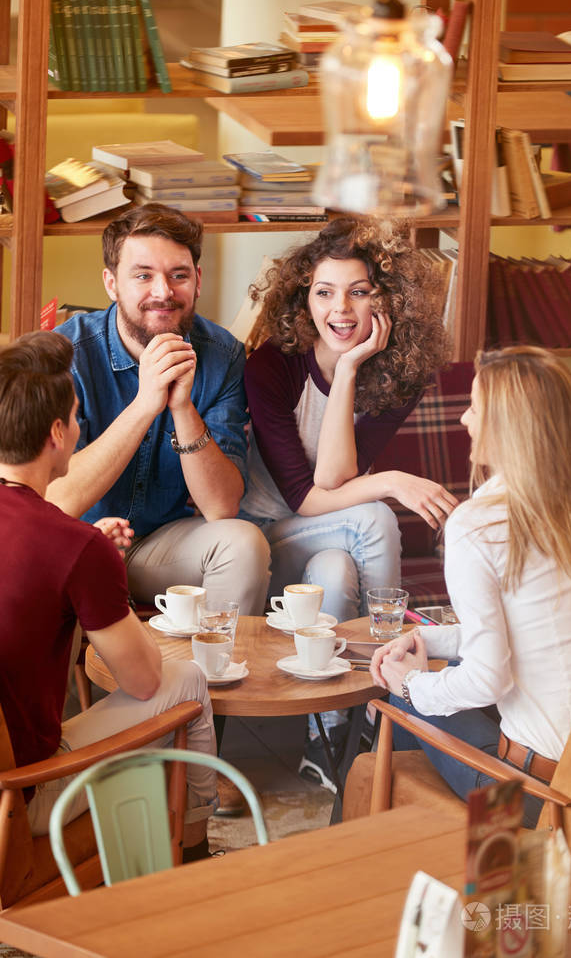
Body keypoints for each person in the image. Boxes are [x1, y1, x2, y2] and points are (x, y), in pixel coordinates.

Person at [370, 345, 571, 827]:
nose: (465, 419)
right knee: (414, 688)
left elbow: (488, 678)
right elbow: (535, 634)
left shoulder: (480, 526)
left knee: (395, 698)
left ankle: (381, 849)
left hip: (534, 793)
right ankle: (397, 843)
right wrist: (427, 639)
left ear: (508, 425)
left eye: (475, 407)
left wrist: (409, 684)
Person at [241, 217, 457, 788]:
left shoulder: (398, 374)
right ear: (303, 299)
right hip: (264, 535)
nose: (341, 309)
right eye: (324, 292)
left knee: (336, 572)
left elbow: (335, 483)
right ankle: (387, 693)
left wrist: (352, 367)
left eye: (359, 291)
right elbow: (309, 493)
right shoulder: (272, 366)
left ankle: (329, 735)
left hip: (324, 538)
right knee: (376, 517)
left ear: (385, 300)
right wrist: (391, 481)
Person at [0, 331, 217, 859]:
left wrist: (84, 564)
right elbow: (144, 682)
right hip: (19, 796)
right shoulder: (73, 546)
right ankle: (195, 851)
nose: (80, 429)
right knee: (187, 681)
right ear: (57, 433)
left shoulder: (70, 544)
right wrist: (99, 571)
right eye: (77, 417)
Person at [46, 202, 270, 619]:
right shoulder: (66, 355)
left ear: (198, 280)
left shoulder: (223, 356)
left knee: (243, 543)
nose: (163, 292)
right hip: (78, 543)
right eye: (143, 275)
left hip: (161, 546)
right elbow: (56, 501)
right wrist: (146, 403)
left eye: (178, 275)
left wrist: (182, 407)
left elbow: (220, 507)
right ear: (112, 283)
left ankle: (210, 663)